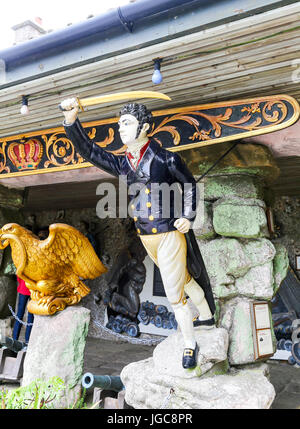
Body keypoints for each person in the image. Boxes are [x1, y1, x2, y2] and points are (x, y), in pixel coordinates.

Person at [60, 98, 215, 369]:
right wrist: (72, 121)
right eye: (120, 123)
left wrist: (187, 217)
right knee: (184, 279)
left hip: (168, 233)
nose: (121, 128)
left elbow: (189, 184)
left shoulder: (166, 158)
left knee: (173, 294)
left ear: (145, 128)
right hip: (146, 236)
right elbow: (90, 151)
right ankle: (206, 315)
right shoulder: (123, 164)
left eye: (127, 123)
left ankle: (189, 344)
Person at [12, 276, 34, 345]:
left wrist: (22, 283)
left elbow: (19, 276)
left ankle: (14, 339)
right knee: (31, 317)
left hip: (23, 288)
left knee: (19, 315)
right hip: (33, 290)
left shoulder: (23, 264)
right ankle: (27, 341)